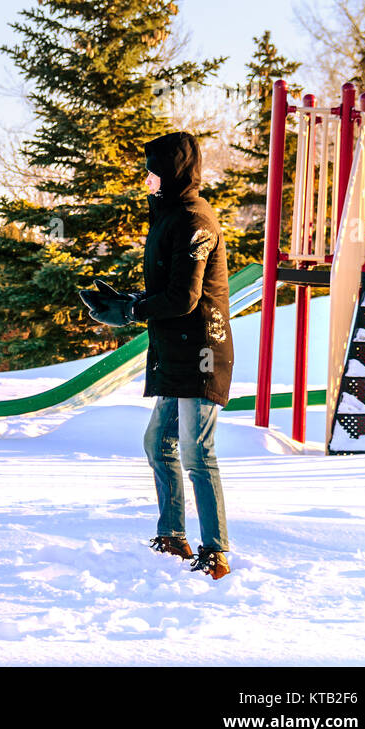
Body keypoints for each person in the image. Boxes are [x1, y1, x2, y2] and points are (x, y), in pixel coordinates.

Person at [79, 132, 232, 580]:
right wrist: (127, 300)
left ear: (171, 172)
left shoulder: (195, 221)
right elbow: (169, 290)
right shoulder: (169, 217)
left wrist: (131, 310)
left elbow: (185, 298)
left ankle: (216, 551)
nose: (145, 179)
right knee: (158, 443)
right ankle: (172, 535)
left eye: (152, 170)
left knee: (196, 452)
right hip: (175, 349)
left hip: (203, 348)